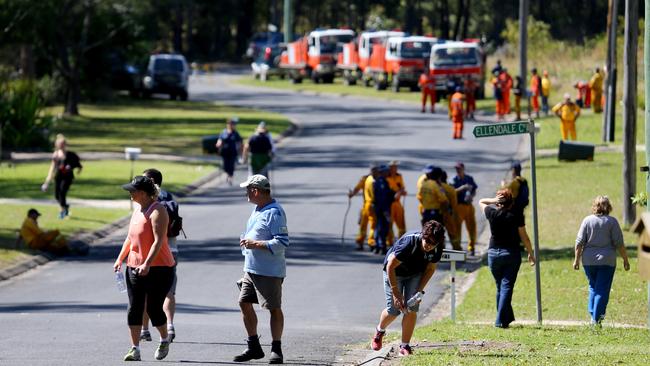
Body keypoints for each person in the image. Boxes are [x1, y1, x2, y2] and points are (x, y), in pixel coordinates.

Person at [114, 176, 176, 362]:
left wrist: (147, 263)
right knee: (134, 307)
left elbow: (158, 241)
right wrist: (120, 259)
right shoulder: (137, 211)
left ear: (142, 193)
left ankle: (164, 339)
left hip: (160, 268)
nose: (130, 194)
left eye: (132, 191)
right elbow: (129, 238)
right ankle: (135, 349)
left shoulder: (158, 211)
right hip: (134, 266)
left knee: (154, 308)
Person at [370, 220, 445, 357]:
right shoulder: (409, 243)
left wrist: (419, 291)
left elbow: (430, 269)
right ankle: (379, 331)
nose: (429, 246)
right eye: (427, 242)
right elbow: (390, 266)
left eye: (433, 244)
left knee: (411, 308)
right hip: (394, 272)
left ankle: (405, 346)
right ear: (423, 236)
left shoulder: (437, 247)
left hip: (415, 273)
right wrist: (396, 293)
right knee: (394, 310)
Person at [236, 174, 289, 364]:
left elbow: (282, 241)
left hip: (269, 271)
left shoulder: (274, 212)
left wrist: (255, 244)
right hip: (251, 269)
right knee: (244, 303)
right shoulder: (258, 209)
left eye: (248, 190)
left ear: (256, 190)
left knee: (273, 308)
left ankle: (276, 349)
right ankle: (254, 346)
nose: (246, 193)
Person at [479, 189, 535, 328]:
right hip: (511, 253)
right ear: (511, 203)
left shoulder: (492, 213)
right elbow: (525, 237)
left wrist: (494, 200)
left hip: (493, 254)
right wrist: (531, 253)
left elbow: (481, 201)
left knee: (501, 287)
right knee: (506, 287)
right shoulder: (516, 215)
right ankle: (500, 321)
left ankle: (506, 318)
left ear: (499, 203)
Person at [573, 196, 630, 326]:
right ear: (608, 207)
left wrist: (576, 260)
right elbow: (619, 243)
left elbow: (579, 242)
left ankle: (593, 314)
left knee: (593, 287)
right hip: (607, 261)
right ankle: (596, 318)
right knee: (602, 289)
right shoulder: (612, 222)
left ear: (594, 206)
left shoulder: (587, 221)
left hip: (588, 261)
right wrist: (625, 260)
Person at [139, 169, 180, 343]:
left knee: (145, 292)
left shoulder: (146, 200)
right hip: (171, 250)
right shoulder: (169, 197)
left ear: (149, 181)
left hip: (149, 252)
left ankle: (144, 329)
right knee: (168, 291)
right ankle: (170, 326)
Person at [41, 134, 82, 219]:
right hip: (58, 177)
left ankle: (63, 212)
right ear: (57, 145)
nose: (62, 146)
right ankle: (65, 207)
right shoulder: (56, 155)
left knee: (62, 193)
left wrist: (76, 170)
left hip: (68, 177)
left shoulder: (71, 155)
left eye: (63, 144)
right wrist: (46, 182)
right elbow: (52, 168)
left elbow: (78, 165)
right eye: (60, 144)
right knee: (57, 196)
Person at [348, 165, 378, 251]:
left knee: (372, 225)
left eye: (375, 170)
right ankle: (361, 242)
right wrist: (352, 194)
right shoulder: (365, 179)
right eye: (373, 170)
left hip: (372, 206)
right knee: (363, 225)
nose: (374, 172)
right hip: (367, 205)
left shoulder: (378, 178)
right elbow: (357, 188)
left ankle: (371, 242)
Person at [452, 162, 478, 255]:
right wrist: (462, 188)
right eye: (456, 169)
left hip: (468, 206)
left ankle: (472, 248)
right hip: (458, 207)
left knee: (472, 227)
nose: (458, 171)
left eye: (459, 169)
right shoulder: (453, 180)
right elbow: (451, 192)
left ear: (463, 169)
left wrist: (471, 195)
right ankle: (457, 249)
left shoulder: (469, 178)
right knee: (457, 229)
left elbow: (474, 190)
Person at [373, 165, 396, 254]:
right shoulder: (381, 182)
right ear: (382, 172)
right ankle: (381, 245)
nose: (388, 172)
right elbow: (383, 198)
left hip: (380, 208)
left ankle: (379, 245)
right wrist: (386, 211)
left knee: (380, 226)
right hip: (382, 209)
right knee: (382, 227)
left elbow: (387, 194)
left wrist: (393, 194)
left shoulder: (382, 181)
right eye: (386, 171)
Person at [215, 117, 243, 185]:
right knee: (225, 166)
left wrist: (240, 151)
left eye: (233, 124)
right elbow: (220, 139)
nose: (231, 125)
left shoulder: (235, 133)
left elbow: (239, 142)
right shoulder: (223, 132)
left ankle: (230, 177)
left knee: (231, 166)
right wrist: (218, 144)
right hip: (225, 152)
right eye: (230, 124)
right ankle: (228, 174)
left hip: (233, 152)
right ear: (227, 125)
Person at [440, 170, 461, 250]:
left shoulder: (436, 187)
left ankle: (441, 250)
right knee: (452, 234)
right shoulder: (450, 189)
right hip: (448, 214)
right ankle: (457, 251)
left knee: (439, 233)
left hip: (438, 214)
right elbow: (454, 205)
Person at [386, 161, 407, 241]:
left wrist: (402, 192)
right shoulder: (386, 177)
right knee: (389, 223)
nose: (395, 168)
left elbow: (402, 187)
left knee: (401, 222)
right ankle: (389, 241)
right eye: (394, 167)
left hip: (397, 202)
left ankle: (402, 241)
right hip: (389, 203)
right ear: (390, 168)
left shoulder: (399, 176)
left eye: (396, 167)